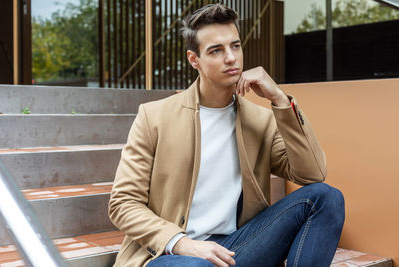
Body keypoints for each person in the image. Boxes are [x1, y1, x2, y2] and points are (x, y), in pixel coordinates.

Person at [108, 4, 345, 267]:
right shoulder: (155, 117)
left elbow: (312, 174)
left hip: (237, 249)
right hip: (172, 254)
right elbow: (123, 203)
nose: (231, 58)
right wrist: (182, 242)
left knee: (326, 197)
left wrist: (280, 100)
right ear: (193, 59)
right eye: (216, 50)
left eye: (235, 46)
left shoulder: (261, 120)